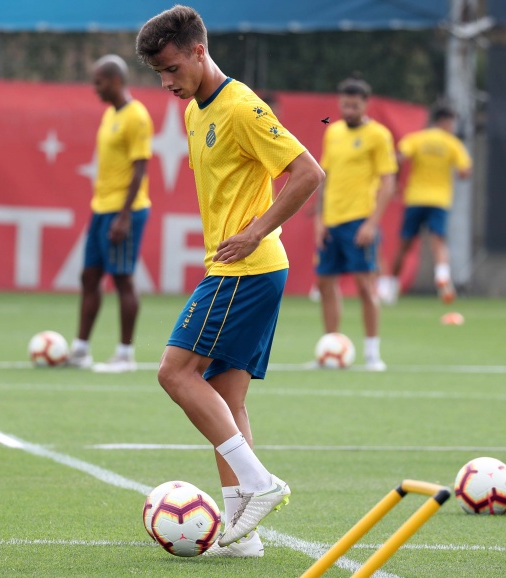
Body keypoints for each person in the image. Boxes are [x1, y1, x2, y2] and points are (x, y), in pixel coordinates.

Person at [136, 6, 324, 555]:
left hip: (245, 268)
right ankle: (245, 533)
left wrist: (255, 230)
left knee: (175, 372)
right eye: (158, 74)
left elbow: (308, 172)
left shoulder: (241, 107)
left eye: (172, 69)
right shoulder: (196, 111)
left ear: (199, 51)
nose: (166, 83)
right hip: (247, 269)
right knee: (226, 397)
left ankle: (260, 483)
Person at [67, 55, 153, 373]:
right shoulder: (110, 115)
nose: (95, 88)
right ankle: (80, 351)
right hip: (101, 208)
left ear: (115, 81)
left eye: (99, 82)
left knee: (122, 279)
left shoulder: (137, 116)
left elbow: (140, 167)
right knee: (89, 276)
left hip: (124, 211)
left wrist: (124, 215)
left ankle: (125, 354)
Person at [315, 76, 397, 371]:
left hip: (359, 220)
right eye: (344, 105)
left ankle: (372, 354)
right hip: (331, 221)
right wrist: (320, 221)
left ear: (365, 104)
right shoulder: (333, 131)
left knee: (365, 286)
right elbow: (324, 178)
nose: (348, 110)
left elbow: (388, 182)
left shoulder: (379, 136)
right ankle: (330, 346)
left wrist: (372, 223)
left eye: (354, 105)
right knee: (325, 283)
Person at [382, 105, 472, 304]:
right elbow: (465, 172)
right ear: (445, 122)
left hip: (415, 198)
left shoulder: (417, 139)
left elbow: (398, 157)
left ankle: (390, 286)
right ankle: (442, 275)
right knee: (438, 240)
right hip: (439, 200)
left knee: (404, 245)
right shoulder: (452, 143)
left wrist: (396, 181)